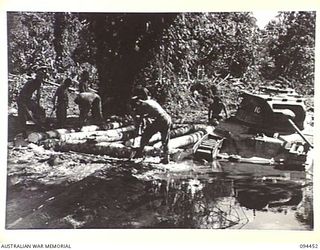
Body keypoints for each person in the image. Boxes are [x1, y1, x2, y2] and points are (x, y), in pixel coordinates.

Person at [131, 89, 172, 164]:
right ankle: (166, 157)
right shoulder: (152, 102)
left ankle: (139, 153)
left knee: (146, 135)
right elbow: (152, 113)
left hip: (161, 119)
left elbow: (140, 118)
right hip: (167, 118)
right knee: (165, 139)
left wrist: (138, 131)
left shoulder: (144, 104)